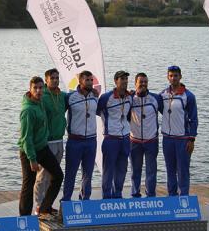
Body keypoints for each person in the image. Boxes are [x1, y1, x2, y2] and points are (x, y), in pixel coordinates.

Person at [18, 76, 63, 218]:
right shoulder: (28, 110)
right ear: (30, 90)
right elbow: (26, 138)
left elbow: (56, 93)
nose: (38, 91)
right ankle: (24, 218)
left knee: (58, 175)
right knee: (28, 185)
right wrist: (32, 159)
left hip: (43, 148)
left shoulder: (41, 101)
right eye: (35, 88)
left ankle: (44, 207)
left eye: (40, 88)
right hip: (29, 151)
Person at [160, 65, 198, 196]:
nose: (173, 78)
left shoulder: (189, 96)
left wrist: (191, 139)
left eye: (176, 75)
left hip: (183, 139)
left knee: (182, 170)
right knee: (170, 170)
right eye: (171, 75)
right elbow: (159, 108)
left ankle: (184, 199)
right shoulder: (163, 94)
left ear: (180, 77)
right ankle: (172, 197)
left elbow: (194, 119)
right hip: (167, 139)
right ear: (167, 77)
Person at [34, 69, 67, 215]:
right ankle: (38, 205)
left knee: (54, 175)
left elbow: (77, 96)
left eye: (57, 78)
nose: (55, 80)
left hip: (60, 140)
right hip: (47, 142)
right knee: (43, 175)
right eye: (52, 78)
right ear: (46, 80)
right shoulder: (42, 96)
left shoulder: (62, 95)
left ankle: (47, 205)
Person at [62, 70, 98, 201]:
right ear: (80, 81)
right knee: (70, 173)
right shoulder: (70, 97)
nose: (89, 82)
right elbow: (58, 113)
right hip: (75, 141)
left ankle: (85, 200)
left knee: (88, 174)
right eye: (87, 80)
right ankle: (65, 201)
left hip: (91, 141)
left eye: (91, 80)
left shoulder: (95, 96)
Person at [97, 70, 132, 199]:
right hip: (111, 138)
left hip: (125, 138)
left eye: (126, 79)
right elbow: (97, 111)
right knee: (108, 169)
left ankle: (118, 194)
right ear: (116, 81)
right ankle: (106, 195)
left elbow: (128, 115)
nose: (124, 82)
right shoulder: (106, 97)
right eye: (122, 79)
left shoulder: (130, 97)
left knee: (122, 168)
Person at [129, 73, 163, 197]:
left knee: (151, 171)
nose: (143, 84)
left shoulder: (156, 99)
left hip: (151, 141)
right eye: (141, 82)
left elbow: (169, 113)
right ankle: (135, 194)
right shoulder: (130, 98)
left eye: (145, 82)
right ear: (135, 83)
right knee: (135, 171)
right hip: (134, 141)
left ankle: (151, 195)